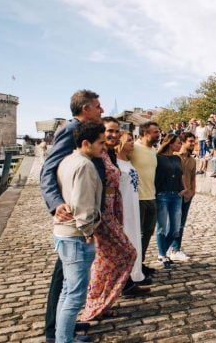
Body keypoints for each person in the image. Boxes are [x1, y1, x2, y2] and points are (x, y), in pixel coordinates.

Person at [40, 90, 104, 342]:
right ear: (85, 109)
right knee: (67, 282)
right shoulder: (72, 131)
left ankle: (62, 330)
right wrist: (56, 203)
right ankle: (54, 332)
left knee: (69, 283)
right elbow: (47, 171)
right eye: (97, 106)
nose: (101, 110)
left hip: (77, 219)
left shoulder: (86, 141)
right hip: (74, 222)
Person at [79, 117, 140, 322]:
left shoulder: (109, 154)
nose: (113, 135)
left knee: (107, 258)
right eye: (109, 131)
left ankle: (100, 304)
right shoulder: (96, 155)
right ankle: (95, 304)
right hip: (101, 211)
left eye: (116, 131)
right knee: (125, 253)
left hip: (113, 208)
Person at [53, 121, 104, 343]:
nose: (104, 147)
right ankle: (64, 340)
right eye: (100, 143)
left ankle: (63, 335)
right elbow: (83, 204)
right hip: (75, 235)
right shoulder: (84, 165)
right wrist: (88, 231)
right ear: (86, 143)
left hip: (64, 234)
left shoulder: (67, 161)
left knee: (67, 290)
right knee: (75, 294)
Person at [116, 131, 148, 285]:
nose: (132, 143)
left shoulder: (128, 161)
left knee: (135, 236)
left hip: (134, 203)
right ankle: (126, 277)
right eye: (129, 140)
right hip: (124, 206)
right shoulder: (115, 162)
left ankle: (136, 272)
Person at [129, 121, 159, 277]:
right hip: (137, 199)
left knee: (147, 233)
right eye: (155, 132)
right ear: (145, 133)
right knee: (136, 235)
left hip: (151, 197)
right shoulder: (133, 148)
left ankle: (140, 263)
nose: (158, 134)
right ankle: (133, 268)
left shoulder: (153, 150)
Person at [154, 134, 184, 269]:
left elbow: (180, 175)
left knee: (175, 229)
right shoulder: (158, 158)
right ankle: (162, 254)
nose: (180, 145)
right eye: (178, 142)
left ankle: (162, 252)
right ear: (170, 143)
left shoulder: (178, 158)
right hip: (162, 195)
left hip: (176, 196)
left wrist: (184, 188)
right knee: (162, 228)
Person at [169, 132, 197, 262]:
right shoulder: (174, 156)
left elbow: (193, 177)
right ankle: (171, 248)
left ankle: (176, 248)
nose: (193, 144)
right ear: (183, 142)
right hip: (174, 195)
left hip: (187, 196)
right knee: (171, 223)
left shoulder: (192, 160)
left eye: (193, 141)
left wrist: (193, 191)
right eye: (190, 141)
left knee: (181, 224)